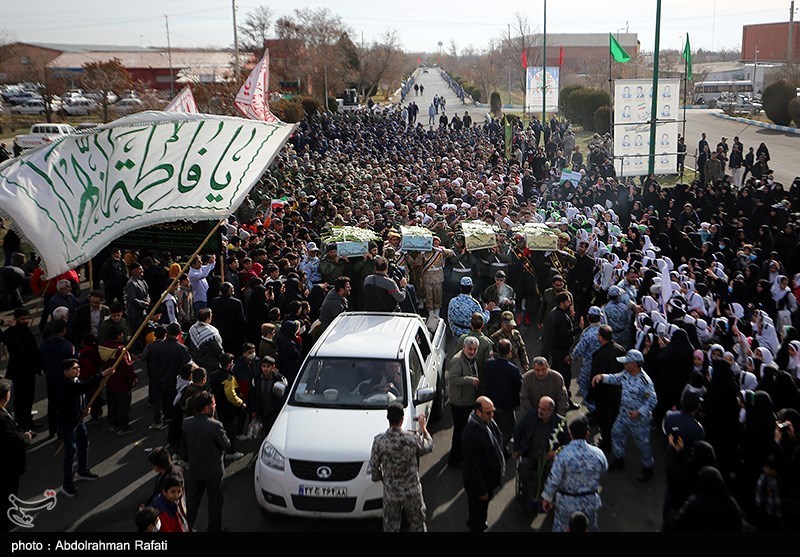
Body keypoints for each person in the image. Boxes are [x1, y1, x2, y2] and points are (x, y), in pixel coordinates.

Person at [591, 348, 658, 481]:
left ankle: (648, 468)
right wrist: (602, 377)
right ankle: (619, 459)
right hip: (623, 414)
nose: (624, 365)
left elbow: (652, 400)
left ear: (635, 364)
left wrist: (639, 412)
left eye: (627, 363)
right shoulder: (626, 373)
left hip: (638, 420)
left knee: (643, 445)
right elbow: (616, 378)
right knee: (616, 433)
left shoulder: (645, 382)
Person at [369, 402, 434, 532]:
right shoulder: (412, 438)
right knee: (417, 524)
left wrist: (381, 479)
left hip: (391, 492)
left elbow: (374, 467)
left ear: (388, 418)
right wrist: (423, 427)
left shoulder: (379, 441)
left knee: (391, 526)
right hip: (412, 491)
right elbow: (429, 446)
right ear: (402, 419)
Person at [58, 358, 115, 497]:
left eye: (78, 367)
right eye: (74, 368)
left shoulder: (77, 381)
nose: (77, 370)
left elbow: (81, 395)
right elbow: (82, 389)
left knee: (84, 444)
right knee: (71, 452)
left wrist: (83, 409)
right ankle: (67, 484)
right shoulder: (66, 385)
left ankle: (82, 471)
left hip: (79, 420)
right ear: (65, 372)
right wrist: (102, 375)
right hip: (68, 423)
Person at [541, 416, 608, 532]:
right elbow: (604, 470)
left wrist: (547, 497)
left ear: (570, 434)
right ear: (587, 434)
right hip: (590, 502)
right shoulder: (598, 453)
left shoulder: (562, 454)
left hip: (567, 504)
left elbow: (554, 479)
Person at [181, 391, 230, 532]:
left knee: (191, 504)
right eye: (213, 404)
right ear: (207, 408)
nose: (215, 406)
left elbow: (184, 446)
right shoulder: (215, 425)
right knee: (215, 505)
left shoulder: (186, 423)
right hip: (213, 472)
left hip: (195, 470)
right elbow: (226, 444)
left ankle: (185, 528)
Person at [513, 395, 568, 513]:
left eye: (543, 409)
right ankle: (528, 499)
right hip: (530, 454)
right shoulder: (530, 416)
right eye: (539, 407)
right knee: (524, 467)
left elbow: (567, 443)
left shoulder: (560, 423)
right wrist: (516, 449)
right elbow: (518, 431)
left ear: (551, 410)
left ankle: (545, 498)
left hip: (548, 459)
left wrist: (556, 452)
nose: (539, 411)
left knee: (553, 470)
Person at [461, 396, 505, 532]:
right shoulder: (471, 434)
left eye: (493, 411)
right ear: (478, 412)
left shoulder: (485, 422)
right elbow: (472, 466)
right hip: (479, 484)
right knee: (478, 511)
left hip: (487, 479)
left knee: (480, 509)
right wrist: (482, 490)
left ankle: (476, 522)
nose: (492, 415)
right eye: (488, 413)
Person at [0, 380, 33, 532]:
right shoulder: (2, 418)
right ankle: (9, 519)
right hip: (9, 463)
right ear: (5, 396)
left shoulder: (4, 412)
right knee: (9, 491)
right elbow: (12, 438)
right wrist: (25, 437)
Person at [1, 308, 40, 431]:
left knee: (29, 398)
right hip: (19, 372)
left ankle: (29, 421)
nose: (25, 321)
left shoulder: (26, 330)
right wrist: (5, 323)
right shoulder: (10, 333)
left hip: (30, 370)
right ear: (16, 319)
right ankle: (22, 425)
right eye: (22, 319)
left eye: (26, 318)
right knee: (20, 400)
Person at [483, 338, 523, 452]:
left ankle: (496, 445)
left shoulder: (489, 364)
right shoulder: (513, 369)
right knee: (509, 429)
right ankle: (500, 448)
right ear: (509, 351)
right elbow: (520, 385)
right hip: (507, 404)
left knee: (494, 426)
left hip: (492, 402)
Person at [446, 336, 480, 467]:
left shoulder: (470, 358)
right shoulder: (457, 360)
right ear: (464, 347)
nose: (472, 352)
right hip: (459, 402)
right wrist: (470, 380)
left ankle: (460, 456)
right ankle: (454, 459)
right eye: (470, 349)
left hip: (467, 399)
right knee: (460, 431)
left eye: (474, 349)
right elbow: (453, 378)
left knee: (463, 430)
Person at [547, 291, 582, 410]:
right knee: (565, 378)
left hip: (555, 350)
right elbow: (565, 334)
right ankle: (565, 402)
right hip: (562, 352)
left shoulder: (554, 313)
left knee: (555, 375)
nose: (570, 303)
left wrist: (571, 318)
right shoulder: (562, 317)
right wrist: (579, 329)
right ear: (562, 303)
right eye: (568, 301)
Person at [247, 355, 287, 436]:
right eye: (263, 366)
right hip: (262, 409)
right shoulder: (256, 379)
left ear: (273, 367)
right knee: (265, 429)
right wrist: (254, 410)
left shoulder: (280, 379)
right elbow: (253, 395)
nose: (265, 369)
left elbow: (284, 395)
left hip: (274, 410)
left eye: (268, 366)